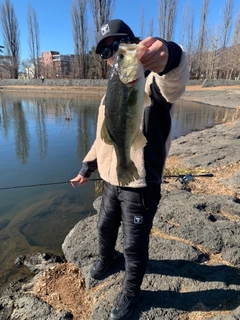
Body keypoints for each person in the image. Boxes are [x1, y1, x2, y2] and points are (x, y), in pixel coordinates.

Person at [71, 19, 189, 320]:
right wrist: (87, 166)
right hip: (111, 179)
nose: (113, 54)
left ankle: (132, 293)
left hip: (141, 184)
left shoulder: (151, 82)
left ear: (134, 42)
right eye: (107, 52)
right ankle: (107, 259)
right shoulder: (111, 91)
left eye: (118, 46)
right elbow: (103, 137)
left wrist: (170, 56)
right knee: (104, 227)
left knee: (134, 245)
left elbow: (173, 81)